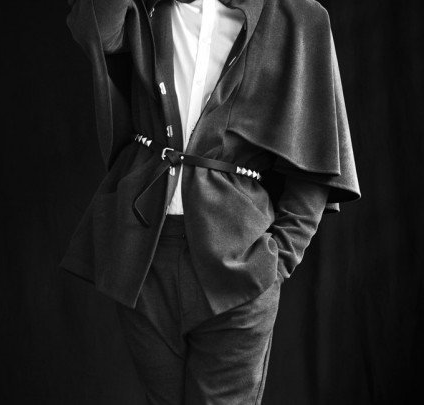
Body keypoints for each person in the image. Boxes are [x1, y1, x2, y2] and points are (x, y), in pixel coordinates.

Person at [60, 0, 361, 403]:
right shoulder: (146, 6)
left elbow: (317, 158)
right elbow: (93, 31)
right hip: (143, 251)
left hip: (240, 260)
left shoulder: (298, 17)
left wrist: (277, 259)